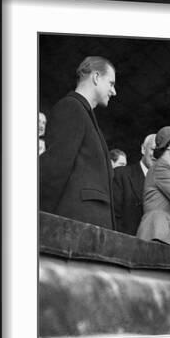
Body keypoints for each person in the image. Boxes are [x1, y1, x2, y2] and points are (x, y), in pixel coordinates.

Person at [39, 56, 117, 229]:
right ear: (96, 77)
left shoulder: (85, 115)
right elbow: (55, 168)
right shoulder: (71, 107)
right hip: (77, 226)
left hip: (90, 227)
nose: (114, 91)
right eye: (111, 83)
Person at [113, 134, 156, 235]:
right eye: (153, 149)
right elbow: (114, 218)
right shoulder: (121, 174)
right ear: (143, 149)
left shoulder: (169, 184)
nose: (156, 155)